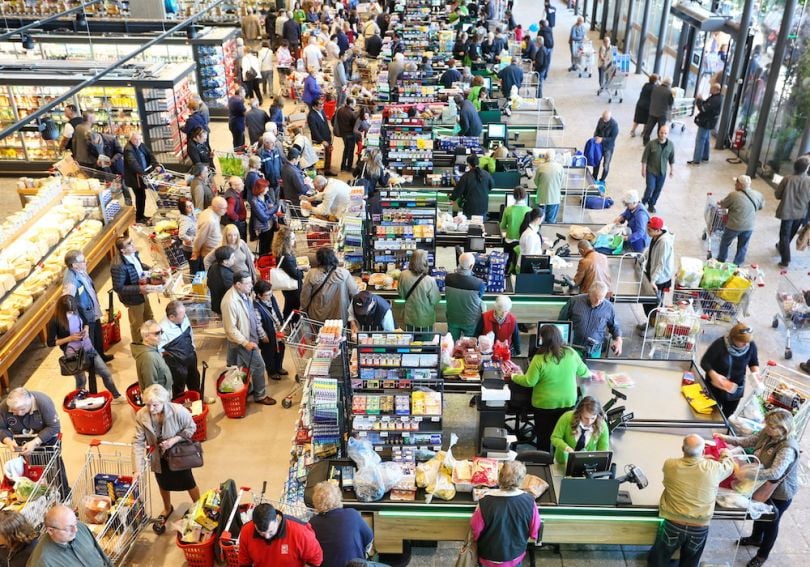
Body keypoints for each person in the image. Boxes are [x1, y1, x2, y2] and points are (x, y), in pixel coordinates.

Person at [715, 409, 799, 567]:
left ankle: (762, 555)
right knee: (758, 512)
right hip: (763, 485)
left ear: (783, 429)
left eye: (771, 426)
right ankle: (755, 538)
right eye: (767, 424)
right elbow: (749, 441)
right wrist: (725, 438)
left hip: (780, 492)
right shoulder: (769, 433)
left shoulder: (787, 448)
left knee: (771, 522)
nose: (767, 428)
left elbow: (776, 472)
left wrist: (747, 474)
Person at [647, 435, 734, 567]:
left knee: (658, 561)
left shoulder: (670, 465)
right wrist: (725, 453)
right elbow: (729, 466)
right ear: (703, 451)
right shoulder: (714, 468)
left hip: (672, 524)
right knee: (690, 563)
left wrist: (701, 459)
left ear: (682, 449)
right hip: (699, 528)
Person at [508, 324, 592, 451]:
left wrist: (514, 376)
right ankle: (558, 458)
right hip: (568, 403)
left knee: (544, 436)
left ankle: (544, 459)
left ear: (543, 340)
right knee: (561, 434)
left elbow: (529, 381)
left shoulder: (539, 359)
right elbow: (584, 372)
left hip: (544, 405)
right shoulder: (571, 353)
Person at [133, 384, 201, 532]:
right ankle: (167, 508)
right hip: (157, 455)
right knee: (163, 482)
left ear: (164, 401)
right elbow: (138, 442)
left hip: (177, 454)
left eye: (155, 405)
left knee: (188, 481)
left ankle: (198, 505)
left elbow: (191, 427)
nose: (151, 409)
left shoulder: (178, 411)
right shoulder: (141, 415)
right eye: (148, 405)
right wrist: (136, 470)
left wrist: (174, 440)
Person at [48, 294, 122, 399]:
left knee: (105, 373)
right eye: (69, 312)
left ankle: (116, 396)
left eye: (73, 311)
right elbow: (50, 342)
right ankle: (80, 401)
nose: (72, 313)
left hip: (89, 348)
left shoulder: (77, 309)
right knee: (81, 380)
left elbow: (86, 322)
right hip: (73, 355)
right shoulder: (55, 321)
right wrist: (70, 338)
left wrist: (86, 330)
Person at [470, 460, 541, 567]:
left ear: (499, 477)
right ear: (521, 480)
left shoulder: (485, 502)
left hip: (488, 556)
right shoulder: (530, 502)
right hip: (514, 556)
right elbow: (534, 531)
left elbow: (475, 529)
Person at [221, 271, 276, 406]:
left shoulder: (245, 293)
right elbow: (231, 329)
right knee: (258, 366)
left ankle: (248, 389)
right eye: (248, 283)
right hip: (242, 341)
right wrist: (245, 343)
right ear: (238, 284)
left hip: (250, 337)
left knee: (243, 366)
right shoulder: (230, 302)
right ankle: (260, 395)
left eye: (251, 282)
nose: (251, 285)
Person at [62, 250, 112, 362]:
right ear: (74, 265)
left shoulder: (79, 270)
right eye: (83, 260)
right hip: (86, 316)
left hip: (92, 310)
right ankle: (94, 365)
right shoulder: (71, 282)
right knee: (91, 340)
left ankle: (101, 356)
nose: (86, 261)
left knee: (98, 336)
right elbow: (67, 301)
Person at [309, 481, 374, 567]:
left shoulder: (312, 523)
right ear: (338, 497)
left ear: (316, 502)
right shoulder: (352, 514)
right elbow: (369, 538)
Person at [700, 323, 759, 416]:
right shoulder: (720, 345)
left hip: (735, 388)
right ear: (733, 338)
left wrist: (756, 375)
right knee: (711, 412)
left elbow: (753, 362)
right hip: (715, 387)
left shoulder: (750, 345)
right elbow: (704, 362)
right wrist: (714, 375)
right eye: (743, 342)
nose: (746, 344)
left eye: (747, 342)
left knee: (728, 413)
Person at [238, 503, 323, 567]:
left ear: (277, 519)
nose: (267, 537)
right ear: (254, 524)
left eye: (271, 532)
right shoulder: (246, 531)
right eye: (261, 533)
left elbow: (316, 559)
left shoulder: (301, 532)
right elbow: (244, 563)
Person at [29, 505, 112, 566]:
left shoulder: (80, 527)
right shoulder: (43, 561)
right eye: (68, 528)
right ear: (51, 530)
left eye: (75, 523)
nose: (75, 530)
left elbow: (102, 556)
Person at [561, 281, 623, 358]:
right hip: (574, 349)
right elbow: (561, 321)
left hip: (594, 351)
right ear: (589, 293)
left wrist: (618, 341)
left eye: (601, 299)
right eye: (596, 298)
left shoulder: (608, 307)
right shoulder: (574, 301)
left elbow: (614, 326)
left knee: (593, 370)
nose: (598, 302)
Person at [110, 236, 153, 343]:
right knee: (137, 324)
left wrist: (151, 269)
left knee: (149, 316)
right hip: (133, 298)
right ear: (122, 250)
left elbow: (138, 266)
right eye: (129, 244)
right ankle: (139, 347)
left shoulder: (132, 254)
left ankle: (153, 339)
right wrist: (139, 288)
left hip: (141, 292)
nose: (133, 244)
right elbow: (118, 287)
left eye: (132, 241)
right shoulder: (118, 266)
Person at [301, 246, 359, 325]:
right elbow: (355, 293)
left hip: (317, 315)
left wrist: (303, 310)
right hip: (340, 315)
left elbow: (305, 297)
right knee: (339, 335)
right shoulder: (344, 273)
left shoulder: (311, 274)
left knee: (319, 335)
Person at [159, 300, 202, 399]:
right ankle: (179, 406)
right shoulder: (162, 329)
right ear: (172, 317)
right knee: (178, 387)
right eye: (182, 315)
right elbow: (157, 349)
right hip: (177, 366)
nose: (185, 317)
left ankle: (198, 399)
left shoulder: (184, 317)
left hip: (191, 358)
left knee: (194, 380)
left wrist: (193, 347)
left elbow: (190, 333)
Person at [716, 175, 763, 265]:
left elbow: (723, 205)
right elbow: (761, 206)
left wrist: (720, 202)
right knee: (743, 245)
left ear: (740, 185)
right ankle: (737, 264)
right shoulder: (757, 194)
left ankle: (721, 260)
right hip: (749, 226)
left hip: (734, 225)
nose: (735, 184)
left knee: (725, 242)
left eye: (736, 183)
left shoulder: (733, 195)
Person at [0, 388, 60, 456]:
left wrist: (35, 442)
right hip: (22, 442)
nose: (19, 413)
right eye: (14, 410)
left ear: (30, 402)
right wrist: (8, 441)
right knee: (28, 464)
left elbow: (54, 426)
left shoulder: (44, 403)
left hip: (47, 440)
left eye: (23, 409)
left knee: (51, 464)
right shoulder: (4, 407)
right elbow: (1, 428)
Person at [550, 396, 610, 464]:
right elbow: (555, 438)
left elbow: (603, 452)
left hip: (586, 465)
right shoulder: (567, 417)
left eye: (593, 418)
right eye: (586, 418)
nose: (589, 422)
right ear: (580, 412)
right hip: (562, 462)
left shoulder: (602, 425)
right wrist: (566, 448)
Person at [774, 156, 810, 268]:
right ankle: (782, 247)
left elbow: (777, 195)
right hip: (801, 213)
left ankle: (785, 259)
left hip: (787, 212)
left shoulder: (787, 179)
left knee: (784, 234)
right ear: (806, 168)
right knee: (791, 233)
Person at [638, 216, 675, 323]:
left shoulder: (664, 242)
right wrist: (641, 257)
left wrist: (653, 281)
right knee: (646, 302)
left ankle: (653, 326)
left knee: (654, 305)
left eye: (649, 230)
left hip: (659, 279)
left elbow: (661, 264)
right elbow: (650, 250)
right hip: (651, 273)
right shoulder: (656, 237)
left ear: (658, 230)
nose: (647, 232)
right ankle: (650, 323)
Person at [445, 252, 486, 340]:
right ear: (471, 266)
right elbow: (480, 297)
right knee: (469, 346)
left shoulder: (448, 279)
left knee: (452, 343)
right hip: (470, 320)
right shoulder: (479, 284)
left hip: (453, 318)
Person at [398, 249, 440, 331]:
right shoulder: (430, 280)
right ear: (425, 262)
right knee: (426, 343)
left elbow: (401, 295)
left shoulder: (403, 275)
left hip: (409, 317)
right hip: (425, 320)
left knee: (410, 341)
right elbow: (435, 300)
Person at [253, 280, 287, 381]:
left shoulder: (272, 298)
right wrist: (263, 336)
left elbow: (278, 311)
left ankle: (279, 367)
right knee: (269, 353)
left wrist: (282, 326)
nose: (270, 296)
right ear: (259, 295)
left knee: (281, 349)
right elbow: (258, 324)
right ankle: (271, 372)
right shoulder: (256, 307)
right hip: (268, 334)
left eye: (271, 293)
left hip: (277, 331)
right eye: (267, 294)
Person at [123, 132, 160, 224]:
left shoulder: (141, 145)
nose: (138, 141)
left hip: (142, 176)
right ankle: (139, 217)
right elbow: (133, 163)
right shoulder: (128, 149)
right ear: (130, 139)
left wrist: (156, 164)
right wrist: (143, 173)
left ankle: (141, 215)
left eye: (139, 139)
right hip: (135, 178)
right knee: (140, 196)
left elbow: (150, 154)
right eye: (136, 139)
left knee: (142, 196)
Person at [131, 320, 173, 394]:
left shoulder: (152, 348)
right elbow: (151, 388)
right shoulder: (148, 358)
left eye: (161, 332)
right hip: (160, 398)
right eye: (156, 334)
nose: (161, 336)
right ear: (145, 337)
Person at [641, 125, 675, 214]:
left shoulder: (670, 145)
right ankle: (643, 202)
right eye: (661, 133)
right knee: (650, 187)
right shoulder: (651, 144)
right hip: (651, 170)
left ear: (668, 134)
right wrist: (643, 169)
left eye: (665, 133)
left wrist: (672, 169)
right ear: (658, 132)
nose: (663, 135)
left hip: (662, 172)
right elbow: (645, 157)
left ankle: (652, 204)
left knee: (658, 189)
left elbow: (671, 158)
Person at [272, 226, 304, 321]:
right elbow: (296, 275)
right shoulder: (286, 257)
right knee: (293, 306)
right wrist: (302, 270)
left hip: (287, 286)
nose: (295, 240)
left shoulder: (282, 252)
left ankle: (286, 321)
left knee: (289, 305)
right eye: (292, 238)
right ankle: (290, 322)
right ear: (286, 241)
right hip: (292, 287)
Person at [688, 83, 723, 165]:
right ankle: (705, 157)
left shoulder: (715, 99)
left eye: (711, 88)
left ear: (715, 89)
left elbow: (703, 108)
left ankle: (696, 160)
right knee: (706, 139)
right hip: (710, 122)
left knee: (700, 139)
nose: (710, 89)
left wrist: (699, 100)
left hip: (706, 122)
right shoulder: (717, 98)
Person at [500, 187, 532, 274]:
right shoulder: (529, 210)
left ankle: (506, 273)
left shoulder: (508, 209)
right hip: (523, 242)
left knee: (507, 261)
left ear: (513, 196)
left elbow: (502, 226)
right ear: (525, 196)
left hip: (509, 241)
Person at [192, 196, 227, 263]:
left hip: (214, 250)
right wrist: (195, 251)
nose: (226, 210)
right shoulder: (209, 221)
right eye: (224, 208)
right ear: (216, 207)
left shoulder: (210, 212)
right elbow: (200, 238)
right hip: (210, 252)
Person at [250, 178, 280, 256]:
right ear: (261, 189)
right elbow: (263, 217)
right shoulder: (254, 201)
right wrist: (273, 209)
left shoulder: (265, 196)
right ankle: (263, 262)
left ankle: (268, 261)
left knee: (270, 245)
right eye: (266, 187)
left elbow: (270, 207)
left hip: (270, 225)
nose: (267, 189)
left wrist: (268, 211)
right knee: (264, 248)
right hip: (263, 228)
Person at [534, 149, 564, 223]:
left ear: (545, 157)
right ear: (554, 157)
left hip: (541, 197)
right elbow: (562, 183)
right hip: (554, 198)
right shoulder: (560, 167)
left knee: (538, 219)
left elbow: (536, 181)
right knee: (551, 220)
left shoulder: (540, 167)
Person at [641, 77, 673, 145]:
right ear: (669, 84)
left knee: (649, 127)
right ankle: (660, 142)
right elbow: (671, 103)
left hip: (653, 110)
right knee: (661, 128)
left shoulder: (655, 88)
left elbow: (651, 97)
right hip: (662, 113)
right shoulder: (668, 92)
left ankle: (645, 141)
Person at [307, 97, 335, 175]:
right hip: (320, 140)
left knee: (328, 155)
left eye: (322, 104)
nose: (322, 106)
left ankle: (327, 170)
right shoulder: (311, 116)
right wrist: (322, 141)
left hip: (327, 137)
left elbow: (325, 123)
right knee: (321, 158)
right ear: (314, 106)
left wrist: (330, 133)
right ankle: (321, 173)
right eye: (320, 105)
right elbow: (314, 131)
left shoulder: (321, 111)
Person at [207, 247, 236, 316]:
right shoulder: (227, 277)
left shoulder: (213, 266)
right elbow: (232, 295)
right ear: (225, 261)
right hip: (224, 307)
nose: (235, 258)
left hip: (216, 303)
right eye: (232, 257)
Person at [592, 110, 619, 181]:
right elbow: (597, 130)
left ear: (609, 117)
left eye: (605, 119)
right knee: (596, 162)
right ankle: (594, 177)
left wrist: (602, 139)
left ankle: (602, 180)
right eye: (603, 118)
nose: (604, 120)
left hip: (608, 148)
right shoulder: (601, 120)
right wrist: (595, 137)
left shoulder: (614, 125)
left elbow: (613, 138)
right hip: (599, 146)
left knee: (606, 165)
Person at [335, 97, 358, 171]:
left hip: (343, 133)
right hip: (350, 134)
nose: (355, 105)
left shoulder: (340, 110)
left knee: (346, 150)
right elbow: (354, 125)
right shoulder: (351, 113)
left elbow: (333, 120)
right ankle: (348, 167)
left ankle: (343, 166)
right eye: (354, 104)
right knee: (350, 151)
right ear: (350, 104)